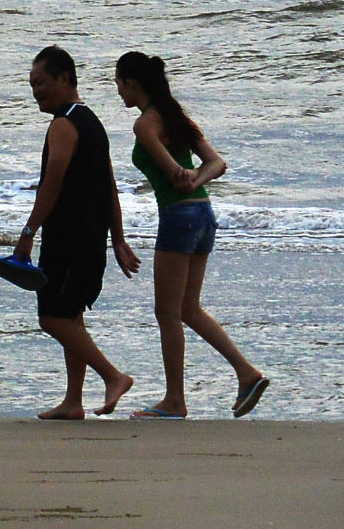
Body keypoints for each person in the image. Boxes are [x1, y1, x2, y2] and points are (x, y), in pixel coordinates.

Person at [113, 50, 271, 419]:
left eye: (119, 85)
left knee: (167, 312)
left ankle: (175, 401)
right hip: (203, 213)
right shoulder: (177, 117)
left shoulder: (145, 125)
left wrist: (185, 176)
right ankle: (247, 373)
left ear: (132, 84)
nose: (119, 93)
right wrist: (196, 178)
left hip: (178, 216)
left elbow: (174, 174)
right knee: (188, 308)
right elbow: (216, 163)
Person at [13, 45, 140, 419]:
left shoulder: (64, 124)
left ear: (65, 79)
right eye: (31, 84)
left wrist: (28, 231)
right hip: (90, 238)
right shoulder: (91, 121)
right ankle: (73, 402)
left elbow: (51, 183)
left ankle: (113, 376)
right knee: (71, 317)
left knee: (52, 317)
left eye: (41, 83)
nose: (35, 91)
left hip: (69, 240)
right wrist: (117, 239)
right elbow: (109, 186)